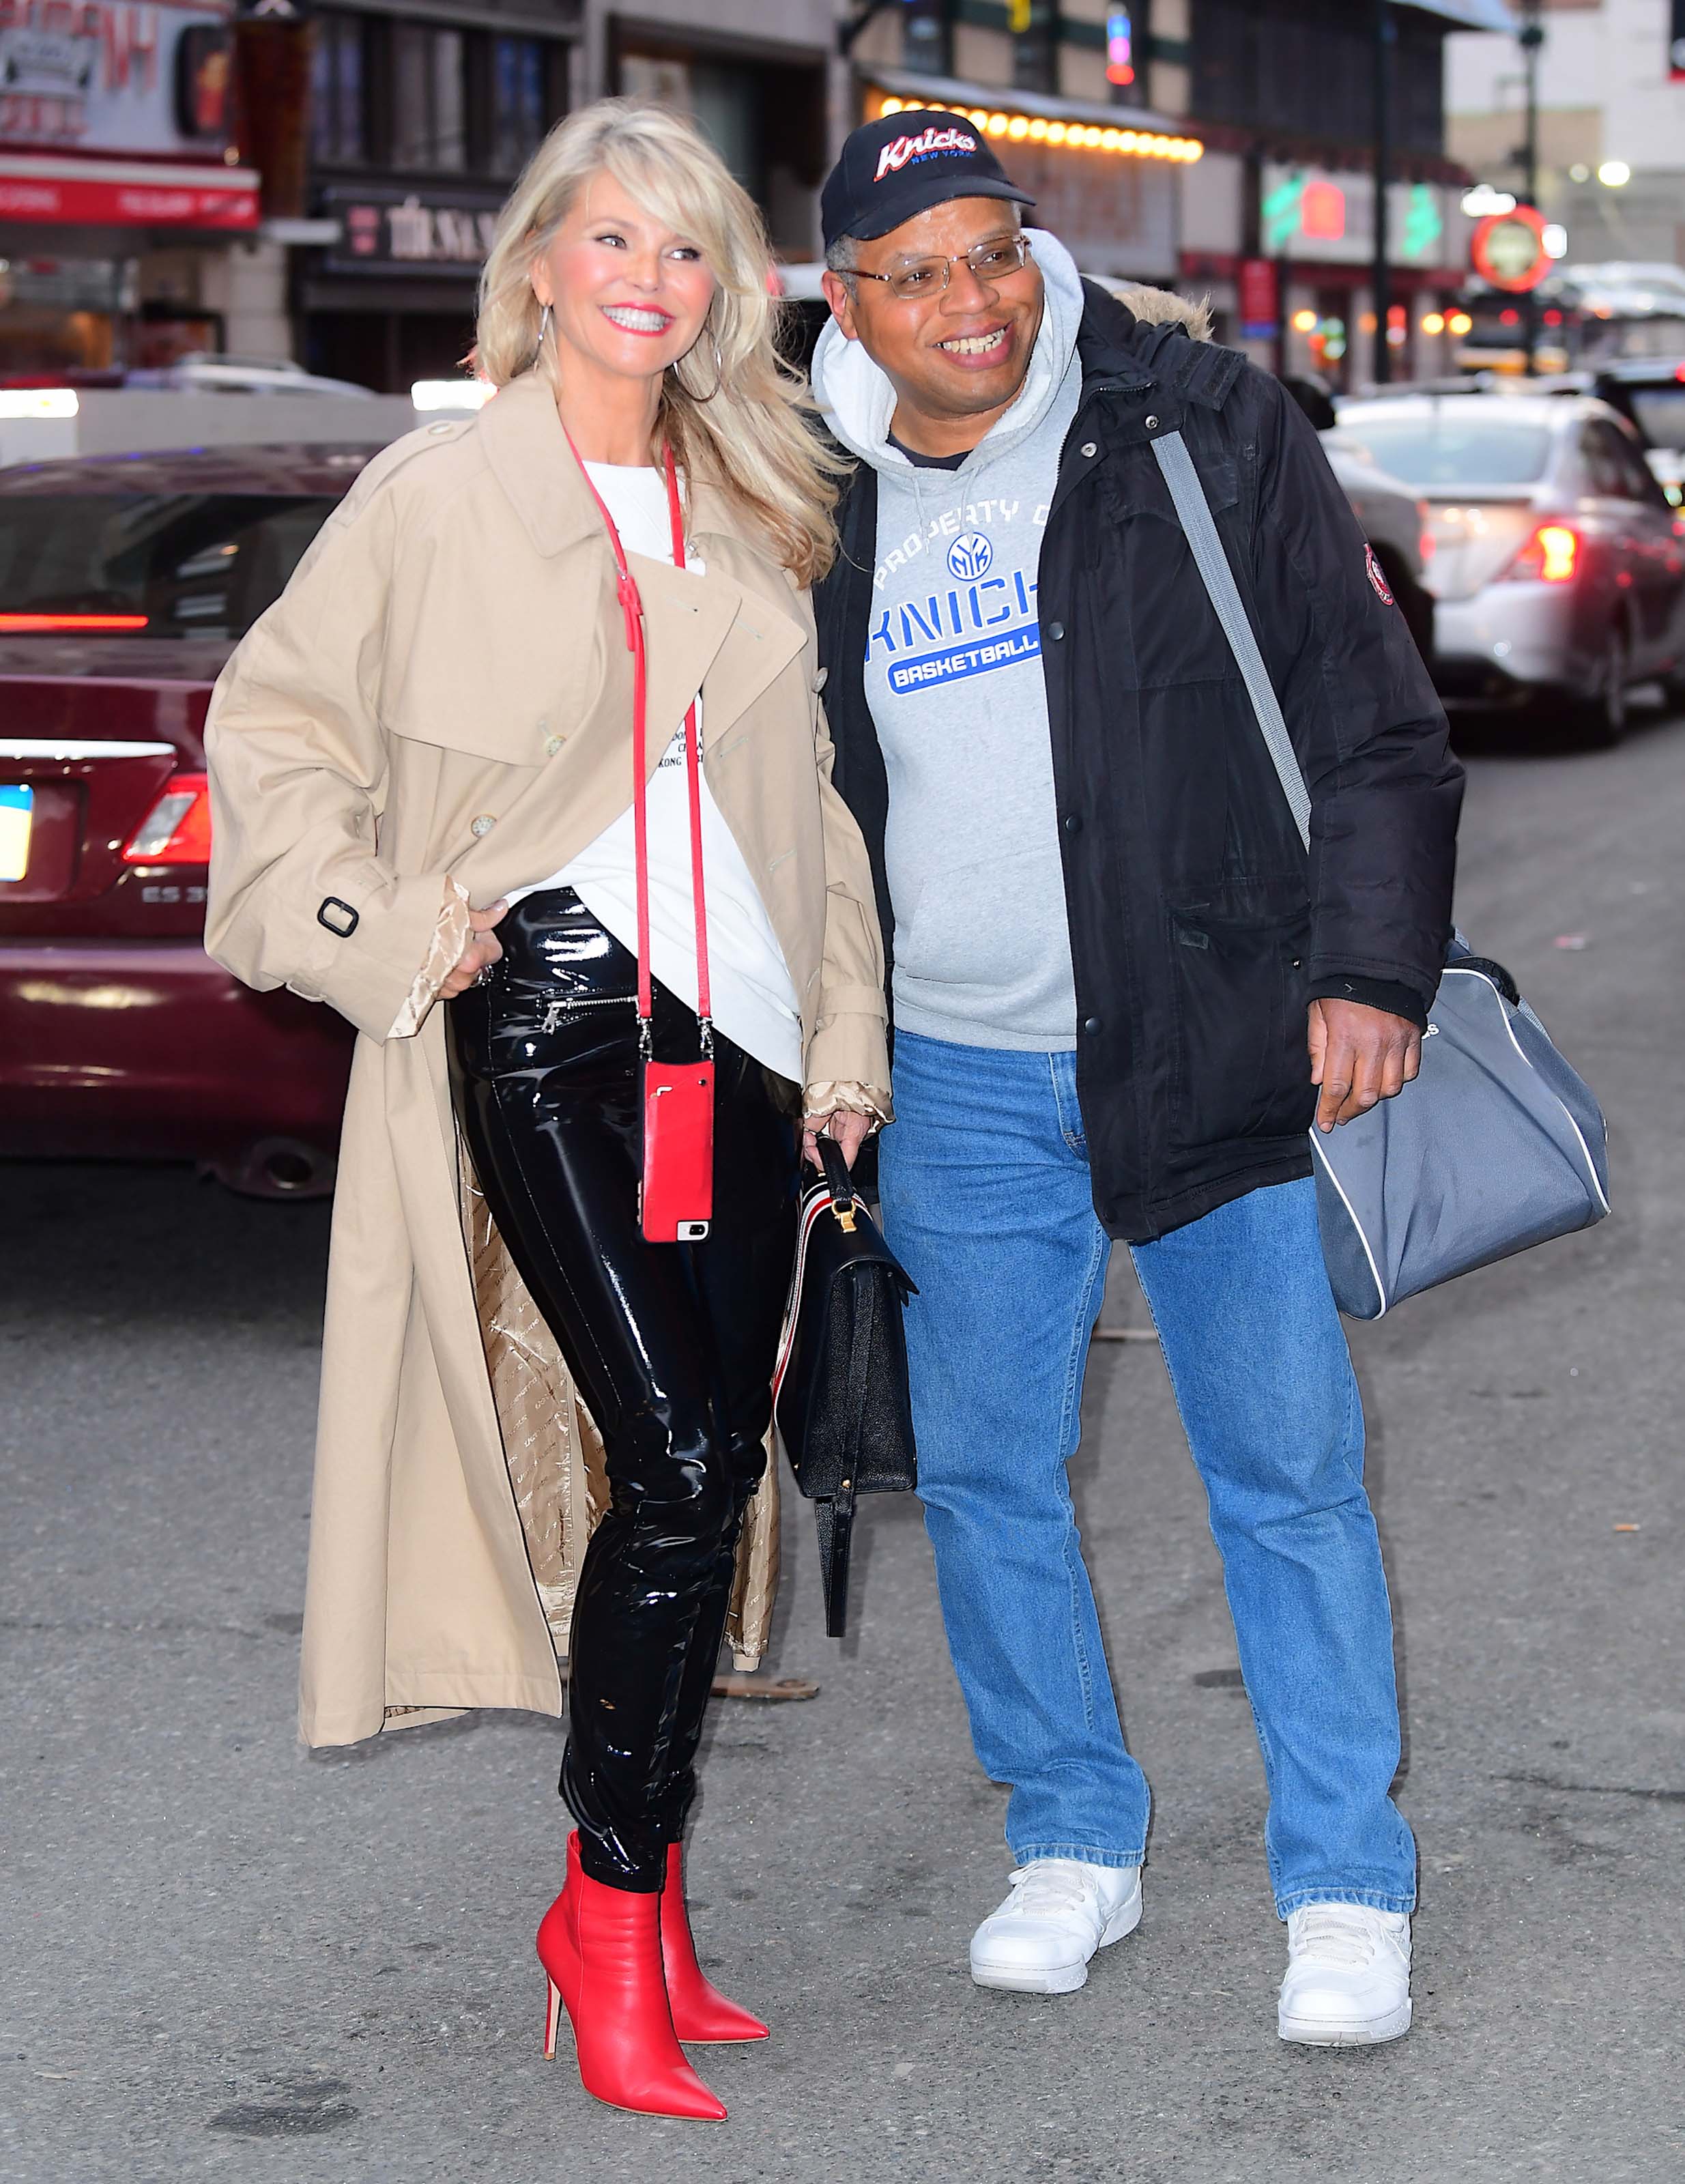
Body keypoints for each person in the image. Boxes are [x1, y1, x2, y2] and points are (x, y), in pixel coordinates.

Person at [204, 100, 889, 2122]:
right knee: (679, 1454)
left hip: (748, 1039)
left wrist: (844, 1038)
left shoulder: (755, 498)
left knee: (702, 1470)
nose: (650, 284)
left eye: (688, 255)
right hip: (552, 1024)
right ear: (538, 267)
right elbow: (275, 722)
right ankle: (601, 1922)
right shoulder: (438, 494)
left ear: (720, 293)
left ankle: (651, 1901)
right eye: (614, 242)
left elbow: (816, 816)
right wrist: (394, 920)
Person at [811, 110, 1463, 2045]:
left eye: (993, 251)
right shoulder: (800, 482)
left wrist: (1365, 969)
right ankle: (1074, 1835)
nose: (971, 300)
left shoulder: (1188, 419)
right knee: (997, 1476)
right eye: (916, 270)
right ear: (847, 301)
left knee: (1287, 1479)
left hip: (1217, 1043)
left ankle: (1346, 1883)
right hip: (951, 1076)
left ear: (1037, 252)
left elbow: (1378, 722)